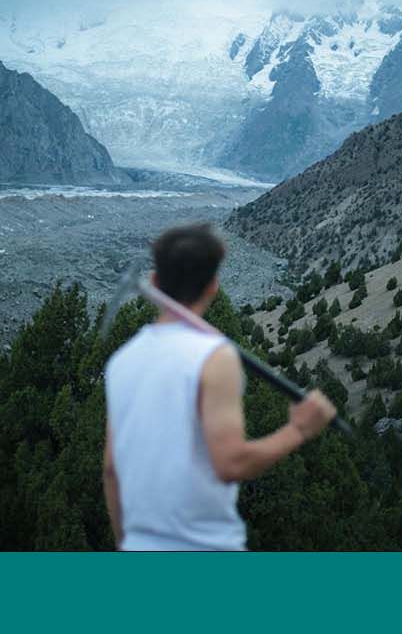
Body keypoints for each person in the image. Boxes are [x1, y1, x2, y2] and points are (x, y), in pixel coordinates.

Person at [101, 223, 337, 550]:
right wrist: (299, 430)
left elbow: (112, 469)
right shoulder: (215, 358)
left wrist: (128, 543)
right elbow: (230, 464)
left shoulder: (121, 361)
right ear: (213, 286)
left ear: (154, 282)